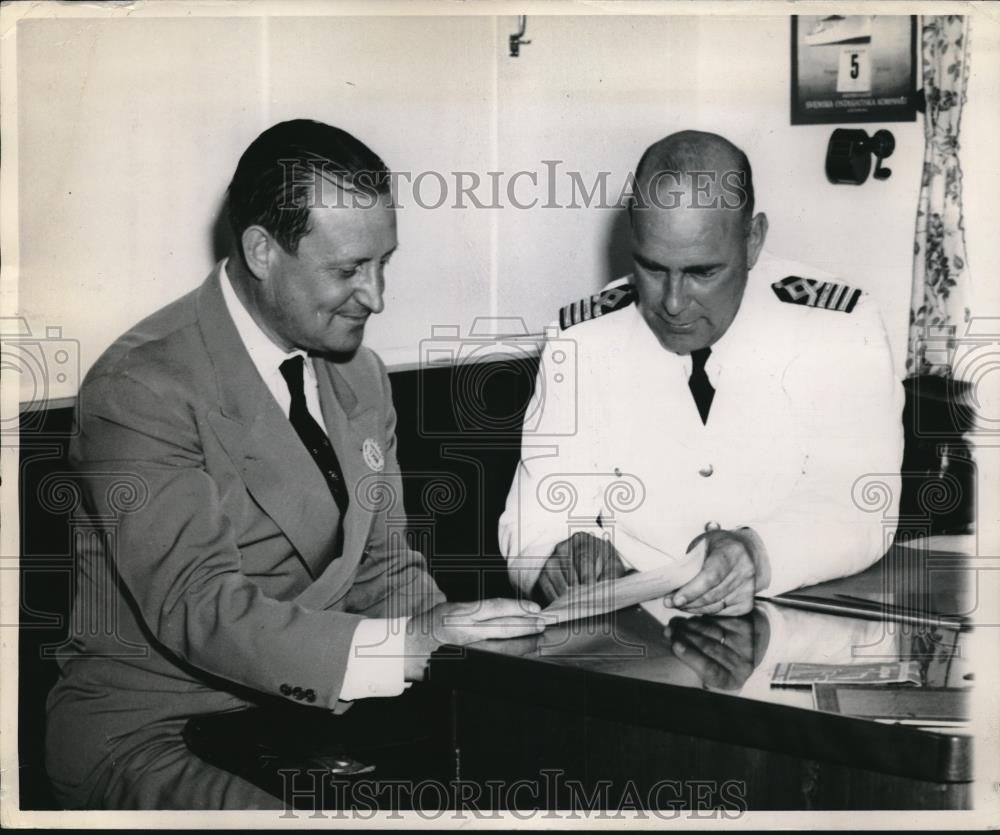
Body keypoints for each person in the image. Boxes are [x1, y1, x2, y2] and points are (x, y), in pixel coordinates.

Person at [45, 119, 545, 810]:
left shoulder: (360, 374)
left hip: (309, 717)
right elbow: (200, 607)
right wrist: (410, 645)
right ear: (261, 250)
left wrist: (482, 656)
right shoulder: (142, 386)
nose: (376, 296)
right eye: (347, 270)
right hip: (157, 728)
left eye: (383, 263)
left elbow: (381, 567)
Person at [499, 130, 905, 615]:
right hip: (630, 637)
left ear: (752, 240)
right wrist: (556, 555)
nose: (672, 302)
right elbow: (537, 511)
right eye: (652, 267)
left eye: (702, 273)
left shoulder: (837, 327)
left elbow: (861, 504)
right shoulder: (584, 338)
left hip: (788, 617)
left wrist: (758, 553)